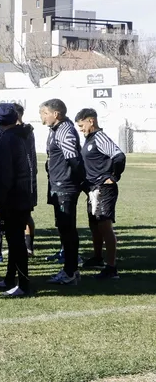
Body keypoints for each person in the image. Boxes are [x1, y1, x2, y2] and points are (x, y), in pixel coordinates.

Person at [75, 108, 126, 280]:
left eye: (82, 125)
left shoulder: (100, 138)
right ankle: (97, 258)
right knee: (95, 225)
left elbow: (118, 156)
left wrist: (113, 176)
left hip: (104, 188)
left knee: (105, 226)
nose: (81, 129)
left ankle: (112, 268)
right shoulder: (89, 139)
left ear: (91, 121)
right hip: (92, 189)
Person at [0, 104, 34, 297]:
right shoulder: (25, 134)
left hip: (14, 196)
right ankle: (10, 277)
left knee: (15, 241)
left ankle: (23, 284)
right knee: (13, 238)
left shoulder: (6, 139)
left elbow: (5, 175)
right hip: (27, 192)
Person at [41, 98, 85, 285]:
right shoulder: (55, 130)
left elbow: (73, 159)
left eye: (44, 113)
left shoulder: (65, 131)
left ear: (55, 114)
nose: (42, 117)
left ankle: (70, 271)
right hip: (58, 185)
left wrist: (74, 181)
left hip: (65, 186)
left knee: (67, 229)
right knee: (63, 227)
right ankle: (70, 269)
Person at [14, 103, 38, 257]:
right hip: (26, 177)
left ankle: (28, 247)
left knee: (25, 214)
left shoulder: (25, 131)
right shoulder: (27, 130)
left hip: (24, 179)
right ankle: (25, 246)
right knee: (23, 214)